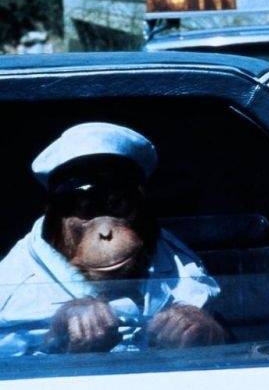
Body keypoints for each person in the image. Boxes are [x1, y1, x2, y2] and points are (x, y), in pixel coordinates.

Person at [0, 122, 222, 356]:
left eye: (117, 206)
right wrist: (56, 339)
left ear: (140, 208)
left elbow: (214, 320)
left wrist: (203, 328)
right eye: (86, 212)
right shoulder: (14, 280)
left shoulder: (168, 249)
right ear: (57, 219)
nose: (106, 233)